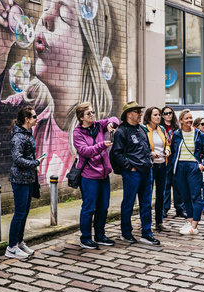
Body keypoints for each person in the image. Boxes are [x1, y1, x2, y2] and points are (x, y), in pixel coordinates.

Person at [0, 0, 115, 184]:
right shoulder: (30, 110)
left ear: (87, 48)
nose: (45, 19)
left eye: (63, 14)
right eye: (45, 7)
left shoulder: (100, 130)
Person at [110, 102, 160, 245]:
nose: (140, 114)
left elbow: (143, 149)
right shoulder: (122, 131)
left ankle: (146, 233)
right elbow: (116, 154)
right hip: (133, 173)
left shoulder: (142, 129)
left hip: (146, 171)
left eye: (140, 111)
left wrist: (150, 157)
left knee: (146, 204)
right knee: (129, 203)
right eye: (137, 111)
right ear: (129, 114)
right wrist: (129, 167)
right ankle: (126, 233)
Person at [71, 102, 120, 249]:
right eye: (88, 113)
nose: (92, 115)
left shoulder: (98, 125)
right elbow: (85, 151)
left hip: (103, 174)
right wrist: (102, 145)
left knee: (103, 207)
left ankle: (100, 235)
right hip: (89, 176)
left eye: (92, 112)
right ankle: (85, 237)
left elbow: (116, 119)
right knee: (88, 208)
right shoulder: (77, 133)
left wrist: (111, 124)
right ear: (81, 117)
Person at [6, 106, 47, 259]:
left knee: (25, 212)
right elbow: (17, 159)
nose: (37, 119)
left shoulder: (27, 134)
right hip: (20, 179)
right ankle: (11, 247)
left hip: (29, 178)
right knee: (19, 213)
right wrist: (36, 163)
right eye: (34, 116)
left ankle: (19, 241)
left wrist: (34, 163)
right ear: (27, 119)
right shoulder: (18, 137)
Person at [170, 110, 204, 235]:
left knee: (196, 196)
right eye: (186, 118)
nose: (189, 120)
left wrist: (202, 165)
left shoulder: (198, 134)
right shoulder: (176, 134)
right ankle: (190, 220)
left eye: (191, 118)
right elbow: (173, 151)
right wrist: (173, 166)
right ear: (181, 120)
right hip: (180, 166)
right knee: (185, 196)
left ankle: (195, 224)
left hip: (194, 166)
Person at [144, 107, 170, 232]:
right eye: (156, 115)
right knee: (148, 194)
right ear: (149, 117)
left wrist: (167, 150)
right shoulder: (144, 130)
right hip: (151, 165)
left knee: (161, 194)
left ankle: (159, 222)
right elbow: (142, 147)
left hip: (162, 165)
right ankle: (146, 222)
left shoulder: (162, 129)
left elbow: (167, 144)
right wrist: (151, 153)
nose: (159, 117)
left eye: (159, 115)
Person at [161, 106, 185, 219]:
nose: (168, 115)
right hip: (165, 160)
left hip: (176, 160)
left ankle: (180, 209)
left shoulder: (177, 128)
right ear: (162, 115)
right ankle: (164, 209)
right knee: (166, 185)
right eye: (166, 113)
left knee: (178, 185)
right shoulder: (160, 128)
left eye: (170, 113)